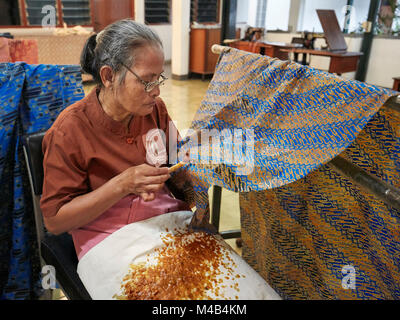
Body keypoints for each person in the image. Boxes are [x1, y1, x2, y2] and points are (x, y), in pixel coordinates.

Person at [40, 19, 194, 260]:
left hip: (162, 223)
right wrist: (122, 184)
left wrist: (205, 162)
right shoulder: (69, 130)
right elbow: (55, 221)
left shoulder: (155, 110)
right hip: (108, 239)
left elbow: (180, 165)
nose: (156, 91)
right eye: (147, 81)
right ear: (109, 75)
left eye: (159, 78)